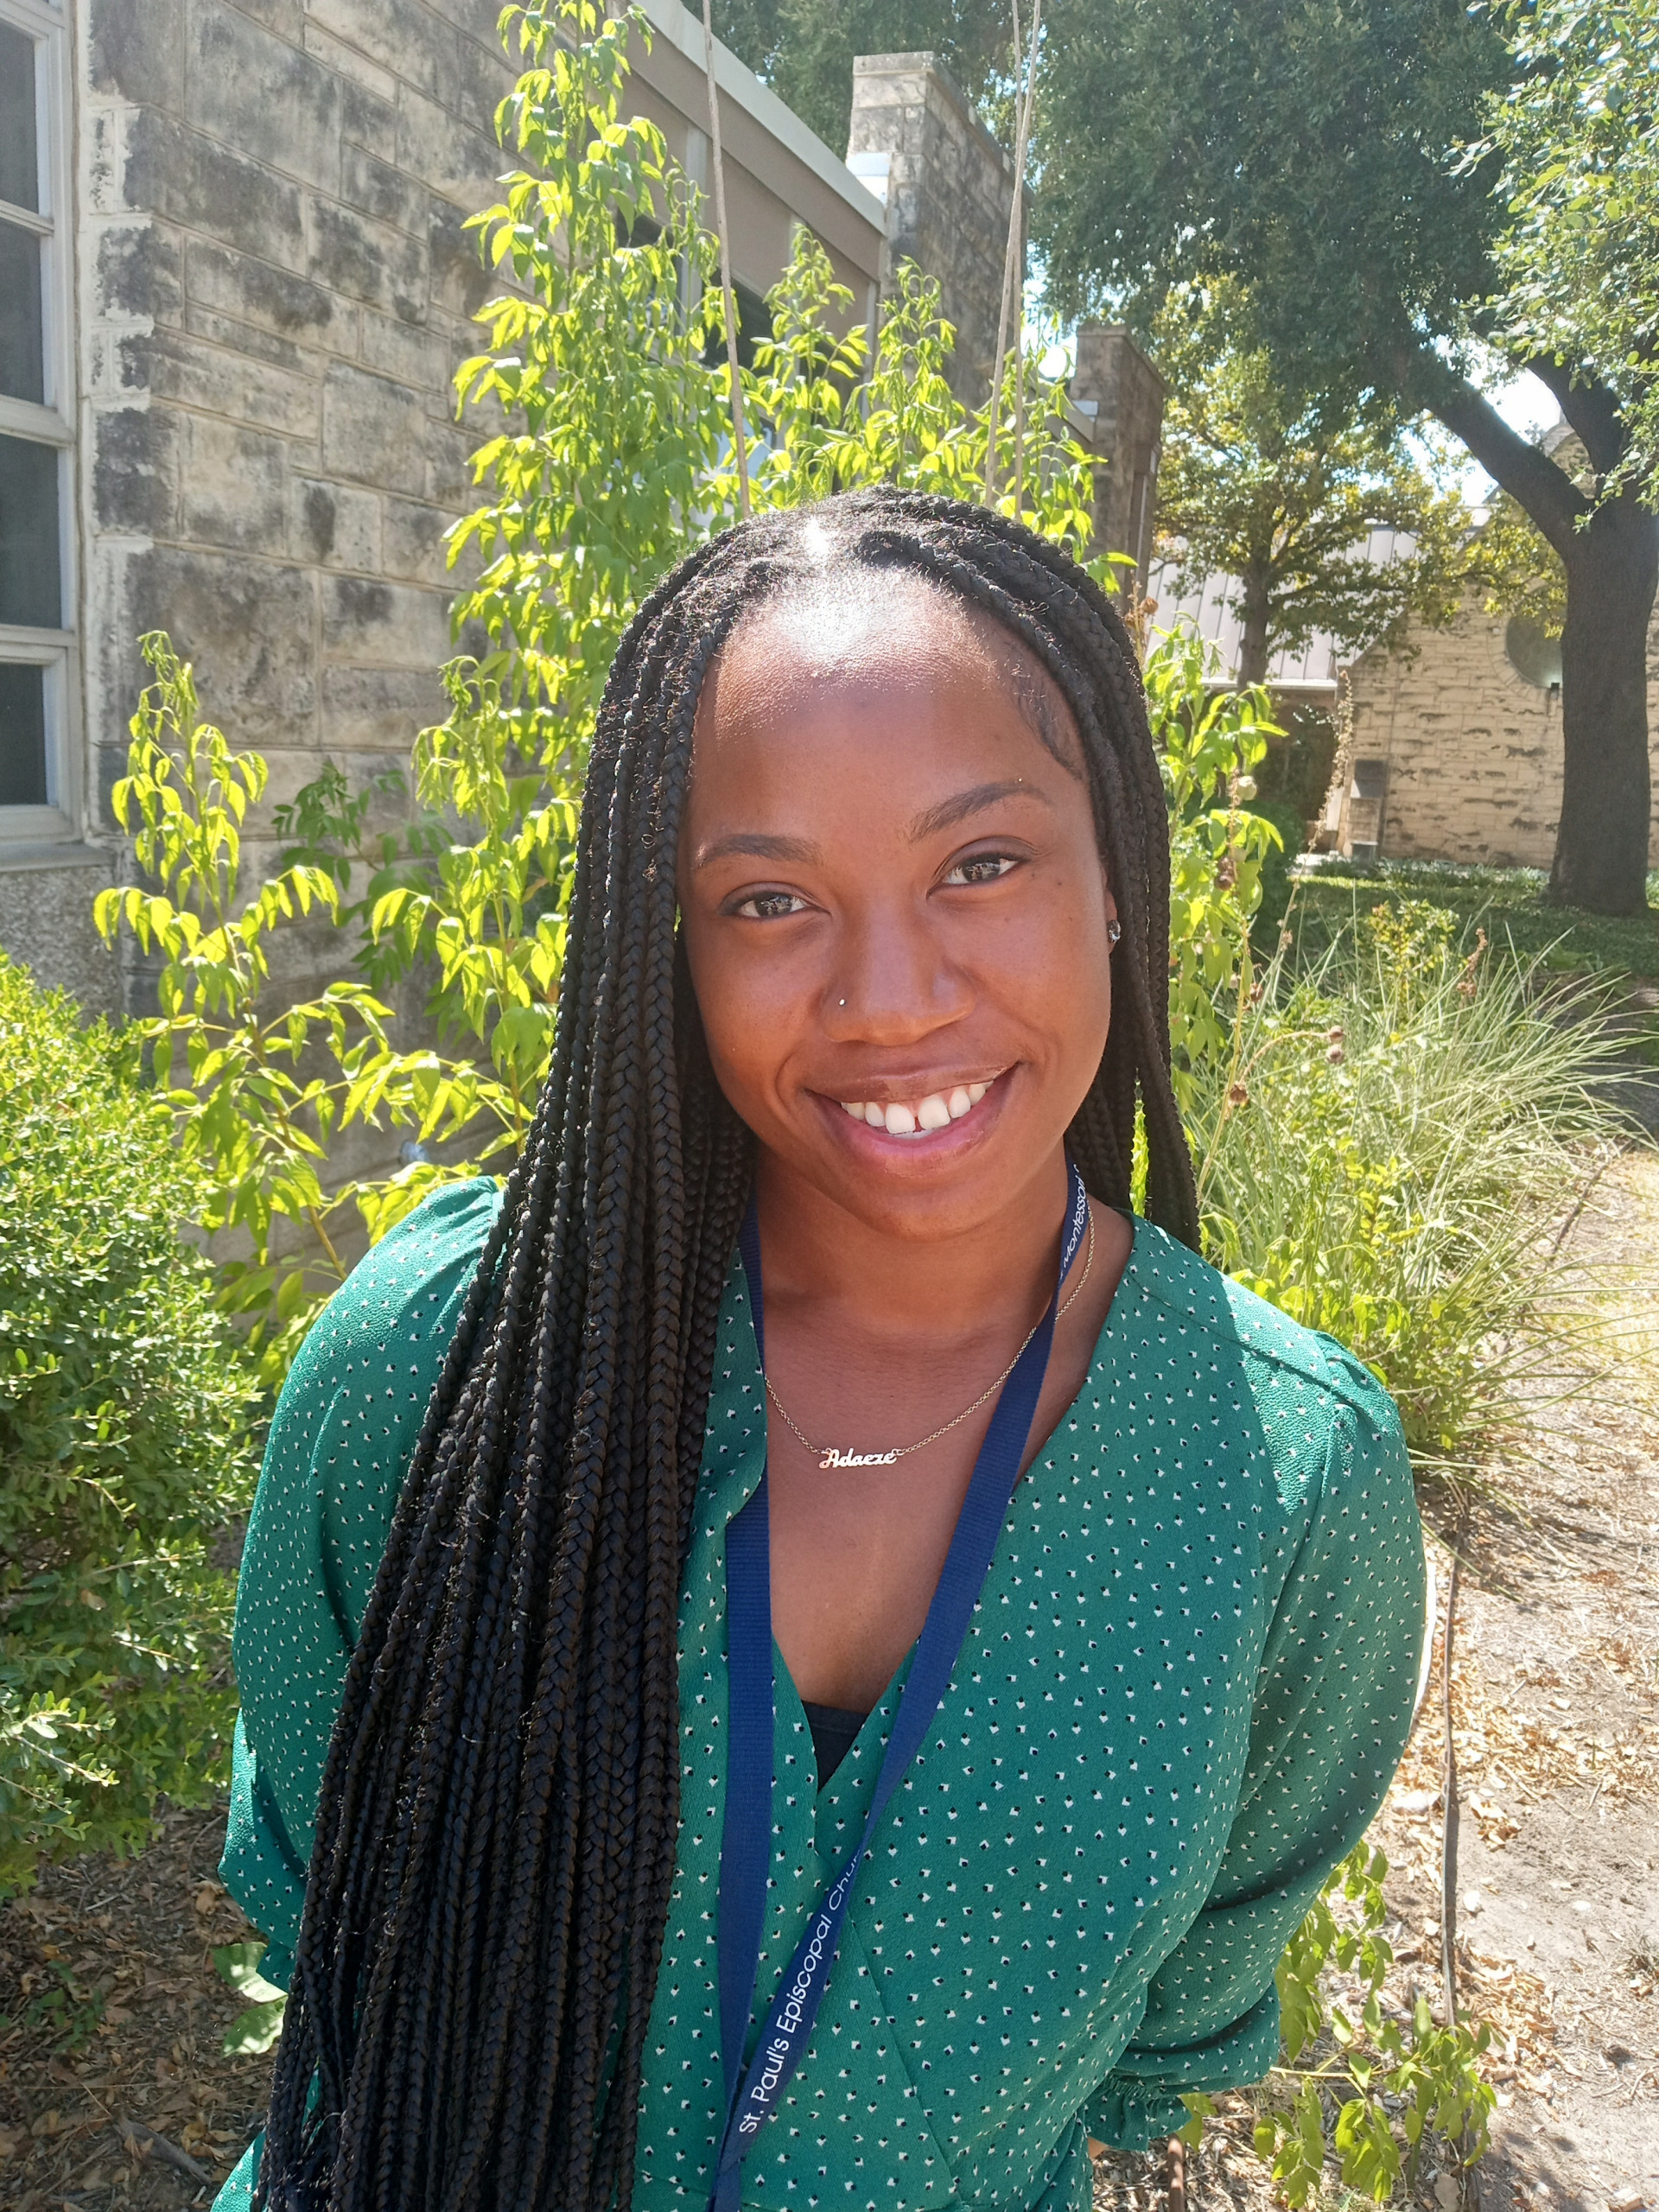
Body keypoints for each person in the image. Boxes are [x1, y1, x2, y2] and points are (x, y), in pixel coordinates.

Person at [215, 491, 1425, 2212]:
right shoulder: (446, 1374)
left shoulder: (1289, 1485)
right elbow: (318, 1910)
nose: (891, 996)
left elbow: (1164, 2037)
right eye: (771, 898)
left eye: (982, 864)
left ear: (1115, 878)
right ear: (673, 944)